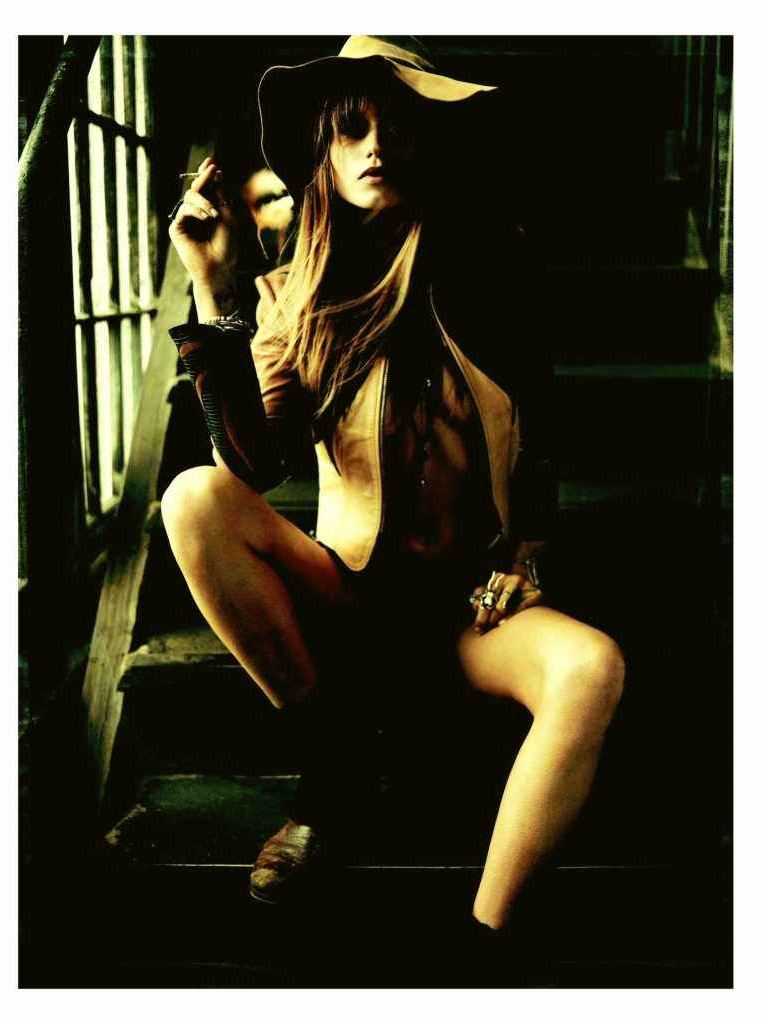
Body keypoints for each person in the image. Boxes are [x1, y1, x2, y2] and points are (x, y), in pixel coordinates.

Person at [162, 36, 625, 955]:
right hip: (350, 594)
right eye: (351, 129)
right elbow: (253, 467)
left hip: (467, 610)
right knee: (194, 498)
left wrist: (529, 553)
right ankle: (335, 769)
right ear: (324, 151)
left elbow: (540, 430)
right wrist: (213, 288)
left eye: (395, 127)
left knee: (591, 666)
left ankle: (486, 946)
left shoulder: (493, 268)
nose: (375, 146)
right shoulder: (292, 294)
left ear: (426, 142)